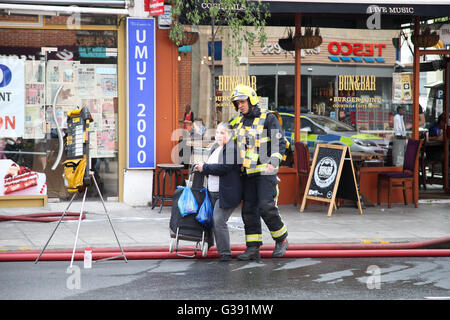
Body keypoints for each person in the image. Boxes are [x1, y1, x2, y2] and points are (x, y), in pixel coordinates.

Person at [230, 84, 289, 261]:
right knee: (248, 211)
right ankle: (253, 248)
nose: (239, 105)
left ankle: (282, 239)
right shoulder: (238, 121)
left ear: (252, 100)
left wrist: (274, 162)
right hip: (247, 173)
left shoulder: (268, 118)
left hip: (265, 171)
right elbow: (232, 144)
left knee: (266, 207)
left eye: (242, 102)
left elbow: (280, 143)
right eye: (237, 103)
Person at [195, 122, 242, 262]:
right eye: (217, 133)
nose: (219, 136)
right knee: (210, 219)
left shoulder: (232, 148)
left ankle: (225, 254)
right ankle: (210, 246)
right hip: (213, 191)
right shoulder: (215, 147)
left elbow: (223, 168)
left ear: (230, 134)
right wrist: (202, 167)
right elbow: (211, 166)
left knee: (219, 220)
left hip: (227, 193)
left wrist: (205, 167)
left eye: (222, 133)